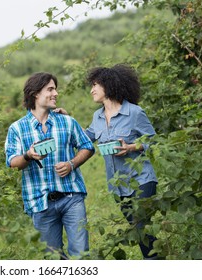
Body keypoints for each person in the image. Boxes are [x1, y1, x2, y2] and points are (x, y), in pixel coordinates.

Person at [5, 72, 95, 259]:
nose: (56, 93)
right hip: (40, 202)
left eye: (55, 89)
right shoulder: (17, 128)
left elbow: (87, 146)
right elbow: (13, 162)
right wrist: (28, 155)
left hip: (71, 196)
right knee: (53, 259)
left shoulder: (68, 122)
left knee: (81, 256)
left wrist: (72, 164)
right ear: (35, 94)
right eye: (50, 89)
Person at [84, 64, 159, 259]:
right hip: (118, 185)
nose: (91, 90)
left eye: (94, 85)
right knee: (138, 231)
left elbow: (153, 141)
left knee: (141, 225)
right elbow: (85, 137)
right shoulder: (97, 116)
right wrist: (65, 119)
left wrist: (132, 147)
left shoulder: (134, 113)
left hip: (142, 179)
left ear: (107, 86)